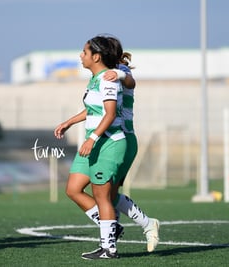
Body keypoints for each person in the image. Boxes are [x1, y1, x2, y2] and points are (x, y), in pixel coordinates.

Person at [54, 35, 126, 259]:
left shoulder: (107, 78)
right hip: (93, 141)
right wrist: (69, 122)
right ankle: (112, 226)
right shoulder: (95, 79)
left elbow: (110, 113)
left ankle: (109, 248)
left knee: (102, 196)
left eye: (84, 52)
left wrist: (92, 138)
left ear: (96, 56)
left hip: (107, 143)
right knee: (73, 189)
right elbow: (94, 110)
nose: (80, 56)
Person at [103, 37, 160, 253]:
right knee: (106, 192)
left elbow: (130, 82)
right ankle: (112, 238)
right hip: (110, 139)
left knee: (106, 192)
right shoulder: (104, 73)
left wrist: (119, 73)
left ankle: (147, 223)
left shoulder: (120, 70)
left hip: (123, 138)